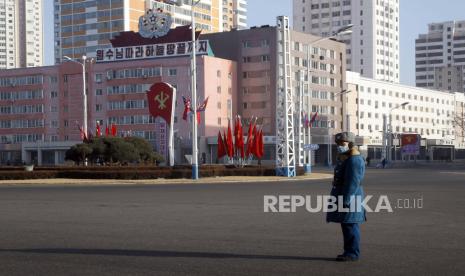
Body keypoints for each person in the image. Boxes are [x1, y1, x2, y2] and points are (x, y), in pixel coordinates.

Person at [326, 132, 366, 262]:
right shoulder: (346, 157)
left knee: (350, 224)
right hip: (345, 195)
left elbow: (353, 182)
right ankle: (348, 251)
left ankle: (352, 253)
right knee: (346, 224)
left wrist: (346, 200)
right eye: (338, 143)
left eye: (342, 143)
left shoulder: (354, 159)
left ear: (350, 144)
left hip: (351, 197)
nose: (339, 146)